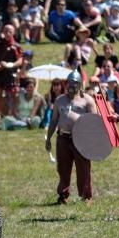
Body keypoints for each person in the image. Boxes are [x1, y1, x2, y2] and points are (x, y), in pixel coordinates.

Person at [45, 70, 97, 204]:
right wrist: (49, 138)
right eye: (69, 83)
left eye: (74, 83)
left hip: (81, 139)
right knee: (63, 168)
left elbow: (94, 122)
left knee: (83, 169)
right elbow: (54, 120)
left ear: (80, 84)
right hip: (63, 138)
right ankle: (63, 195)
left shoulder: (87, 100)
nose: (71, 86)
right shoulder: (59, 100)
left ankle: (87, 196)